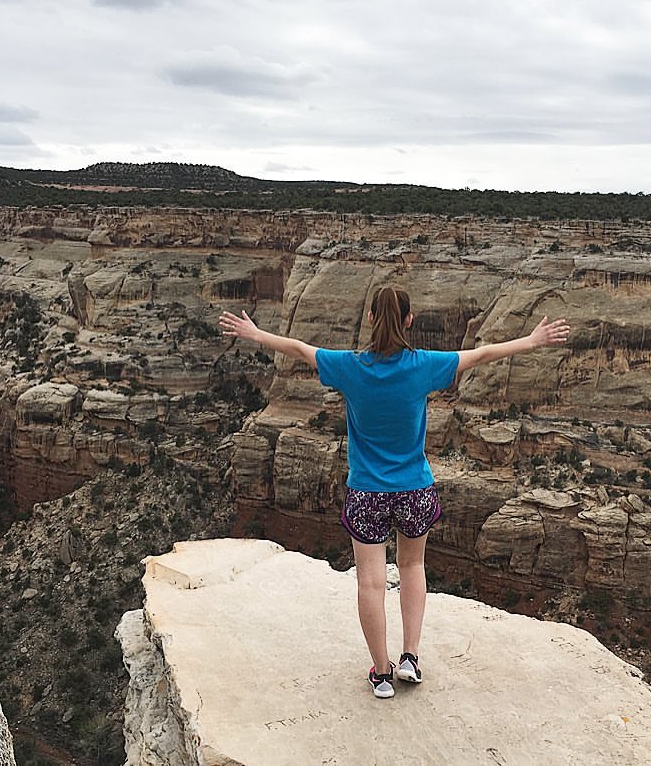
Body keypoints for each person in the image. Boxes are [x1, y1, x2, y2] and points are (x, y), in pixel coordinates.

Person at [219, 286, 569, 698]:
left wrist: (256, 334)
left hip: (366, 491)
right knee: (411, 568)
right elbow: (481, 355)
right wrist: (531, 341)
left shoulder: (350, 367)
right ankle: (411, 658)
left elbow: (299, 348)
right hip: (414, 489)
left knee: (370, 584)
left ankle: (381, 674)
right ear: (408, 320)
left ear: (370, 319)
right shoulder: (423, 366)